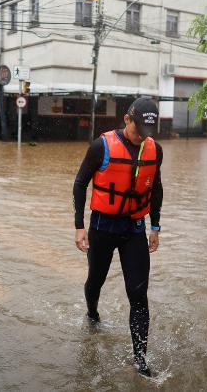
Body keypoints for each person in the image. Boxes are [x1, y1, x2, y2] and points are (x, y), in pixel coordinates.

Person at [73, 97, 163, 377]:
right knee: (95, 280)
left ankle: (140, 359)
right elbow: (79, 184)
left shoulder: (154, 150)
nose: (142, 137)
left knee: (138, 295)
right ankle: (92, 313)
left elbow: (156, 188)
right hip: (102, 226)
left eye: (147, 132)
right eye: (138, 130)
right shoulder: (101, 146)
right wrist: (79, 226)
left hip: (135, 227)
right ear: (127, 120)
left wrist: (156, 227)